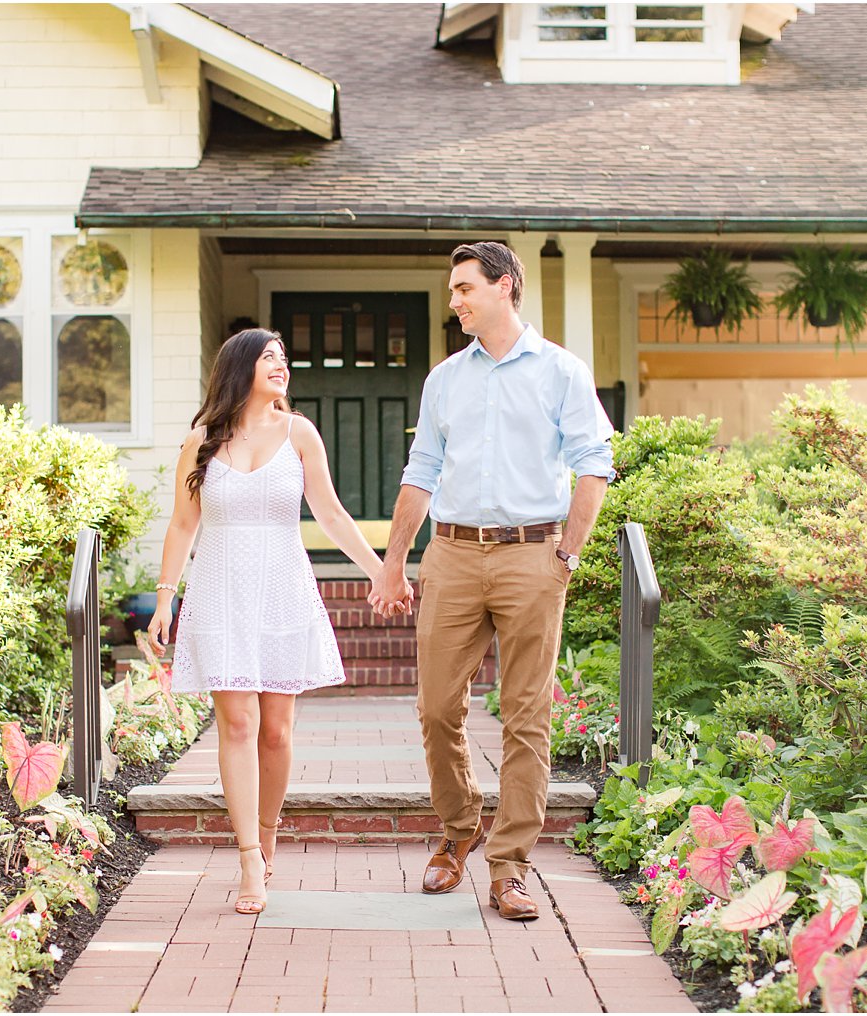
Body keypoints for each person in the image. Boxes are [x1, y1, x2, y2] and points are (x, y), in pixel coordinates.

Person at [369, 241, 615, 920]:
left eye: (463, 288)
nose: (454, 301)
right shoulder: (445, 379)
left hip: (533, 555)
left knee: (526, 716)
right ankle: (458, 830)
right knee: (437, 708)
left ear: (504, 286)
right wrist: (393, 561)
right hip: (451, 554)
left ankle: (509, 867)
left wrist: (565, 554)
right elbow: (421, 471)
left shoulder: (561, 371)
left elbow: (594, 463)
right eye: (452, 290)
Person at [148, 328, 384, 916]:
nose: (281, 366)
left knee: (277, 729)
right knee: (238, 723)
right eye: (268, 358)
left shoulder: (299, 433)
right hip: (220, 588)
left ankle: (269, 829)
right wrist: (164, 598)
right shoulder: (202, 440)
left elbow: (329, 512)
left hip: (281, 588)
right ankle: (250, 856)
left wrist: (381, 571)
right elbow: (183, 524)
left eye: (284, 358)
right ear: (240, 367)